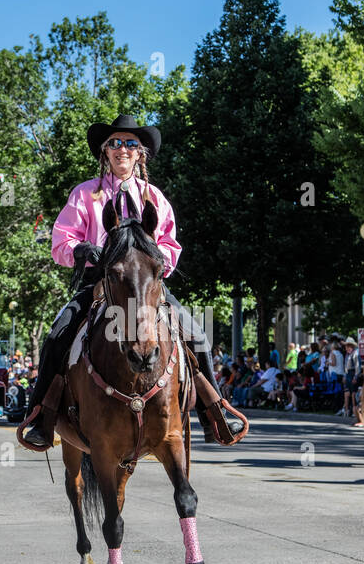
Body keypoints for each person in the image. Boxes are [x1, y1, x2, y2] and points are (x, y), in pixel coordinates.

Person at [18, 114, 245, 449]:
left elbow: (170, 243)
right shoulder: (84, 195)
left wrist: (160, 261)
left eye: (130, 143)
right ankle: (41, 416)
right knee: (55, 335)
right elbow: (60, 244)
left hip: (148, 286)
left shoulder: (155, 198)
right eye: (114, 143)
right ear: (105, 153)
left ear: (141, 154)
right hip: (101, 283)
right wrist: (82, 248)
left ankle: (214, 413)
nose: (121, 149)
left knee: (197, 334)